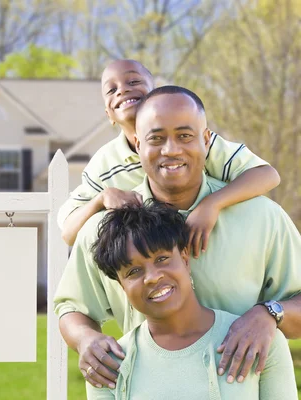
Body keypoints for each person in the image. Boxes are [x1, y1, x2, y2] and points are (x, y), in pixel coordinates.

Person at [53, 86, 301, 390]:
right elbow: (71, 308)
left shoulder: (263, 218)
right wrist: (86, 339)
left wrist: (269, 314)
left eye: (185, 136)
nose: (170, 150)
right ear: (137, 143)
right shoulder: (106, 230)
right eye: (156, 138)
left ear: (206, 139)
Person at [58, 59, 280, 261]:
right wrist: (101, 198)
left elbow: (267, 175)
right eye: (111, 89)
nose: (123, 90)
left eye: (133, 81)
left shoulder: (196, 142)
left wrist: (212, 204)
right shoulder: (105, 164)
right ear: (109, 114)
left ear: (156, 94)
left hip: (213, 251)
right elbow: (68, 233)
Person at [85, 202, 297, 399]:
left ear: (185, 259)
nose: (152, 277)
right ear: (122, 286)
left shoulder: (259, 341)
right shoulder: (107, 365)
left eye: (162, 259)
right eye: (133, 271)